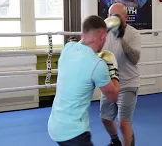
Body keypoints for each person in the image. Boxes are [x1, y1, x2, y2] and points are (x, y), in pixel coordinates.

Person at [47, 15, 120, 146]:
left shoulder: (68, 48)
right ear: (103, 37)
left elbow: (83, 47)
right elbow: (114, 96)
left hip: (55, 125)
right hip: (74, 132)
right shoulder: (97, 64)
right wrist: (113, 72)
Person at [100, 3, 141, 146]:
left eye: (118, 17)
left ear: (126, 18)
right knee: (105, 118)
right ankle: (115, 141)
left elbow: (135, 59)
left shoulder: (133, 33)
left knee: (124, 123)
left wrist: (121, 38)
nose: (114, 19)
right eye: (112, 16)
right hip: (110, 83)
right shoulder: (104, 33)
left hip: (129, 83)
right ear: (107, 17)